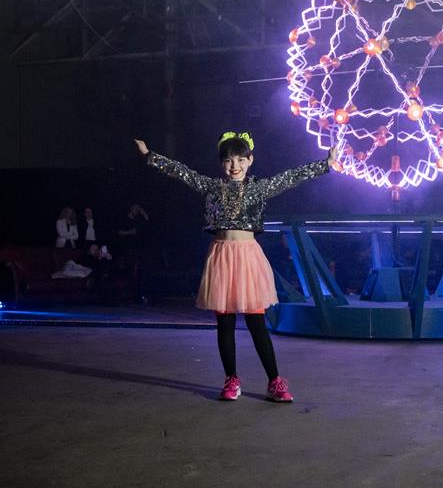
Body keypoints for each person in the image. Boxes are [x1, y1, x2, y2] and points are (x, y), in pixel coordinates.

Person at [134, 131, 336, 402]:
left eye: (241, 159)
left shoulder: (258, 187)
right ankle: (231, 380)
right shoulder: (212, 187)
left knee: (257, 323)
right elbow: (181, 172)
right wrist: (150, 156)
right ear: (222, 163)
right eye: (229, 160)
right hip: (221, 257)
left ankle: (274, 381)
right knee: (225, 324)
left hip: (248, 257)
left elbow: (290, 177)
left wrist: (324, 164)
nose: (235, 166)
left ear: (250, 160)